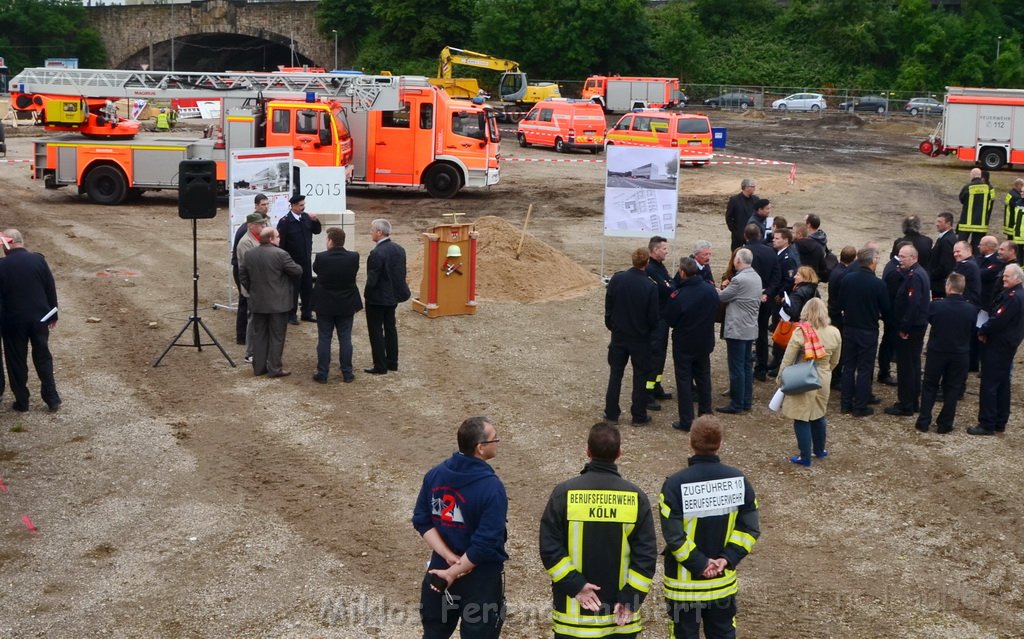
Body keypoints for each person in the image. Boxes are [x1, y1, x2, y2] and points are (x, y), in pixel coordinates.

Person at [539, 422, 658, 638]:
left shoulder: (564, 493)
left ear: (588, 452)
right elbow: (646, 556)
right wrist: (631, 599)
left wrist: (576, 586)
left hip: (572, 621)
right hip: (620, 620)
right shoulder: (636, 498)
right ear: (620, 453)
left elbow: (549, 548)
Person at [659, 415, 760, 639]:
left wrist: (701, 564)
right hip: (721, 584)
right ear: (720, 444)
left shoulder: (675, 484)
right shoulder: (738, 481)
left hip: (683, 587)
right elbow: (749, 529)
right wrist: (726, 558)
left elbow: (674, 536)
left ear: (690, 442)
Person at [413, 416, 508, 638]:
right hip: (480, 579)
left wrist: (447, 558)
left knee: (434, 633)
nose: (498, 442)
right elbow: (486, 543)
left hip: (438, 572)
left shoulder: (435, 475)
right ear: (480, 448)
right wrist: (453, 571)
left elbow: (422, 520)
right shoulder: (491, 488)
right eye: (495, 439)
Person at [0, 229, 61, 412]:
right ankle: (52, 398)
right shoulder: (38, 260)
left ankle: (22, 401)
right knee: (43, 357)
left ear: (7, 244)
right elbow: (50, 287)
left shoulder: (2, 266)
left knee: (16, 361)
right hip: (40, 319)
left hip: (13, 322)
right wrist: (53, 314)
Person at [777, 298, 841, 466]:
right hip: (823, 375)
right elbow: (835, 360)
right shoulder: (834, 332)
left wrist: (781, 377)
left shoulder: (800, 332)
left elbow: (788, 358)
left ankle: (805, 456)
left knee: (801, 417)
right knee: (818, 414)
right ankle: (819, 450)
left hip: (802, 375)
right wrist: (826, 370)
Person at [604, 247, 659, 426]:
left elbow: (609, 304)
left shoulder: (617, 279)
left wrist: (611, 325)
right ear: (647, 263)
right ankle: (638, 415)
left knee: (615, 375)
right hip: (640, 338)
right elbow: (653, 317)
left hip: (619, 335)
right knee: (640, 376)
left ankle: (611, 413)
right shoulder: (650, 286)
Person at [663, 257, 719, 432]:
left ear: (682, 273)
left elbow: (670, 319)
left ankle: (687, 420)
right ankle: (706, 413)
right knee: (703, 377)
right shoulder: (710, 291)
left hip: (685, 343)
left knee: (684, 380)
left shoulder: (679, 296)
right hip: (704, 341)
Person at [915, 273, 975, 434]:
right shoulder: (971, 309)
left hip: (937, 351)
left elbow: (930, 320)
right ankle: (945, 423)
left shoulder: (936, 306)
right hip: (960, 353)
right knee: (953, 388)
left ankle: (924, 420)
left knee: (929, 386)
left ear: (948, 287)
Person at [238, 227, 302, 378]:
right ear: (271, 239)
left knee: (259, 335)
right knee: (277, 336)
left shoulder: (250, 254)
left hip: (258, 302)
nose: (279, 239)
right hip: (278, 304)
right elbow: (297, 271)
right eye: (277, 236)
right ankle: (274, 368)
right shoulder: (281, 254)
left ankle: (259, 368)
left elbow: (242, 274)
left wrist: (252, 290)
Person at [969, 264, 1024, 435]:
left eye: (1007, 276)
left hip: (999, 345)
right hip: (1006, 344)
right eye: (1004, 276)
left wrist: (982, 330)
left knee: (990, 384)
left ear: (1018, 279)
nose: (1004, 279)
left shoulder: (1014, 297)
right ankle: (1000, 420)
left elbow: (998, 319)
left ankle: (987, 423)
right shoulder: (1015, 294)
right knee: (1002, 383)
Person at [837, 246, 891, 417]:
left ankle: (845, 404)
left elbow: (841, 303)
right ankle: (860, 406)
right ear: (872, 262)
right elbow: (886, 309)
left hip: (850, 327)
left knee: (848, 367)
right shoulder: (878, 284)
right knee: (865, 369)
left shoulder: (847, 279)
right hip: (868, 330)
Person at [883, 245, 931, 417]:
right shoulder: (917, 273)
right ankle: (913, 400)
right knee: (914, 364)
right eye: (899, 256)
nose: (900, 259)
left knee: (906, 367)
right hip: (916, 327)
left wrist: (904, 327)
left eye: (903, 257)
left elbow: (913, 305)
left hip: (911, 329)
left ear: (914, 257)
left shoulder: (915, 277)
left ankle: (906, 404)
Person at [310, 227, 362, 384]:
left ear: (330, 241)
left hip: (325, 304)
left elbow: (316, 271)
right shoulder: (353, 257)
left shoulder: (321, 257)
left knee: (324, 338)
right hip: (346, 304)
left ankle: (322, 373)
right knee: (345, 338)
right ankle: (347, 372)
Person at [716, 248, 761, 414]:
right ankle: (746, 401)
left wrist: (716, 289)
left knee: (736, 368)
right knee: (746, 366)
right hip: (750, 328)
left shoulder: (739, 280)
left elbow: (722, 297)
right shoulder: (756, 277)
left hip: (737, 329)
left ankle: (737, 403)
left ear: (738, 261)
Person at [363, 218, 411, 375]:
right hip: (393, 297)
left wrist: (367, 295)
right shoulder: (399, 249)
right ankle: (392, 361)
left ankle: (380, 365)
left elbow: (372, 279)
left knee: (376, 331)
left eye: (372, 230)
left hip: (377, 298)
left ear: (379, 232)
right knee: (390, 328)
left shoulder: (377, 253)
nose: (370, 233)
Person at [276, 194, 321, 324]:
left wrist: (315, 220)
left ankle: (307, 313)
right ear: (294, 206)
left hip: (306, 260)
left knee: (307, 288)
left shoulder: (306, 218)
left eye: (304, 205)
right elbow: (281, 243)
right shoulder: (285, 222)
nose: (303, 207)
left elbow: (317, 231)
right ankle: (291, 315)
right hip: (292, 261)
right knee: (293, 289)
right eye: (301, 205)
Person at [742, 224, 779, 381]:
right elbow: (777, 275)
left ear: (745, 236)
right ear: (759, 235)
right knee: (762, 333)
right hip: (764, 298)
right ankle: (761, 368)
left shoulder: (743, 253)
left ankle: (745, 366)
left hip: (746, 299)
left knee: (745, 334)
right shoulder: (770, 251)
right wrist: (768, 293)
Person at [768, 265, 819, 377]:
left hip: (796, 326)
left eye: (798, 275)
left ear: (805, 277)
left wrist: (784, 303)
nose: (794, 277)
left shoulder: (799, 292)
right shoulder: (814, 290)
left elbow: (793, 312)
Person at [233, 194, 270, 344]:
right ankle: (242, 336)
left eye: (267, 204)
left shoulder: (259, 226)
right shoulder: (245, 232)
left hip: (248, 271)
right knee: (245, 303)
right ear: (256, 206)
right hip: (242, 270)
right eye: (263, 204)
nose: (266, 206)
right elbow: (245, 260)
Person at [644, 235, 675, 405]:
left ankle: (656, 386)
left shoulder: (659, 267)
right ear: (655, 250)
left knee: (661, 355)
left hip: (663, 319)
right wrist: (671, 286)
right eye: (664, 249)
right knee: (654, 355)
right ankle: (647, 393)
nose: (667, 252)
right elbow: (667, 288)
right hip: (656, 320)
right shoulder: (651, 269)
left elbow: (670, 284)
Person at [827, 246, 857, 388]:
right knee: (839, 347)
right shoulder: (844, 275)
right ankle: (836, 378)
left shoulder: (836, 270)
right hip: (838, 314)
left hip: (833, 311)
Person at [958, 167, 991, 251]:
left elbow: (962, 199)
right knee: (977, 246)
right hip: (980, 223)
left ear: (972, 175)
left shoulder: (968, 187)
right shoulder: (987, 188)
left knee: (961, 244)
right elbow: (989, 201)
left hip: (966, 222)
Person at [928, 212, 957, 299]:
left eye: (940, 222)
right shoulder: (946, 238)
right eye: (937, 221)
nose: (937, 224)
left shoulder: (946, 240)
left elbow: (945, 265)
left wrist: (933, 275)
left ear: (948, 223)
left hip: (940, 285)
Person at [725, 178, 757, 251]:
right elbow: (729, 217)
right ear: (746, 187)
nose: (754, 189)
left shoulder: (756, 199)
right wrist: (735, 231)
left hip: (752, 235)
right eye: (753, 187)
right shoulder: (734, 200)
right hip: (738, 236)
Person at [952, 241, 982, 308]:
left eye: (958, 251)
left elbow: (953, 283)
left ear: (968, 250)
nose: (955, 254)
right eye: (954, 252)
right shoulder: (968, 263)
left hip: (965, 304)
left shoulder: (967, 265)